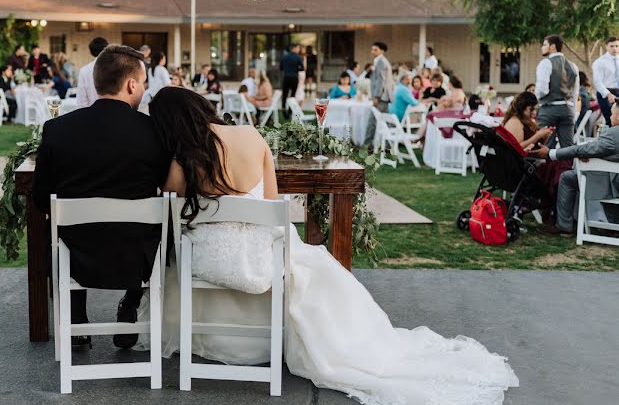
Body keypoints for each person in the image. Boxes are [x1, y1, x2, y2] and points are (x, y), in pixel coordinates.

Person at [144, 87, 518, 404]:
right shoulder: (250, 136)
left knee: (181, 256)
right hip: (259, 261)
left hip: (208, 264)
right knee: (314, 266)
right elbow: (276, 205)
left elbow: (171, 214)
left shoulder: (181, 161)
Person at [33, 45, 172, 351]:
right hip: (137, 256)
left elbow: (41, 198)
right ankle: (130, 304)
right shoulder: (155, 133)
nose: (146, 89)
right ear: (131, 84)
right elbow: (169, 188)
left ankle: (77, 318)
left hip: (77, 255)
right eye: (145, 82)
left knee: (56, 230)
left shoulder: (57, 130)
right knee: (162, 227)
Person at [530, 102, 619, 236]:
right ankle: (611, 224)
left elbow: (584, 149)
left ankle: (565, 226)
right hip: (613, 177)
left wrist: (551, 153)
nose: (610, 116)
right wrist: (590, 154)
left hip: (613, 184)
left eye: (612, 113)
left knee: (567, 177)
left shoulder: (613, 134)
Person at [534, 34, 579, 149]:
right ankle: (567, 167)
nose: (542, 47)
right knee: (567, 148)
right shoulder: (573, 66)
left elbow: (542, 90)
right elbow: (575, 93)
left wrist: (536, 101)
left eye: (544, 44)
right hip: (568, 110)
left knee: (544, 146)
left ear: (552, 46)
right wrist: (572, 111)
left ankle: (545, 167)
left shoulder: (545, 63)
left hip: (549, 110)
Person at [591, 37, 619, 127]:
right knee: (612, 121)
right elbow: (597, 82)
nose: (614, 48)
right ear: (606, 46)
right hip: (606, 93)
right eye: (612, 46)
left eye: (617, 46)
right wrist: (608, 94)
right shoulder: (600, 62)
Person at [76, 37, 109, 108]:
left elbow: (81, 102)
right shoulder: (115, 68)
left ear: (91, 51)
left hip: (90, 114)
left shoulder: (84, 70)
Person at [369, 42, 394, 112]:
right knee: (383, 120)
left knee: (372, 121)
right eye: (372, 50)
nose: (372, 52)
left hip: (381, 96)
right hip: (383, 96)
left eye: (375, 50)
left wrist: (377, 96)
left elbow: (381, 80)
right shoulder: (379, 61)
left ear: (382, 51)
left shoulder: (381, 61)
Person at [279, 44, 304, 110]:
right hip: (294, 78)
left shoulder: (284, 57)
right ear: (294, 48)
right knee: (293, 95)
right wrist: (296, 69)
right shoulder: (298, 57)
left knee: (285, 94)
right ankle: (290, 109)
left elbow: (281, 68)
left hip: (286, 77)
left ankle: (283, 108)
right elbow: (302, 68)